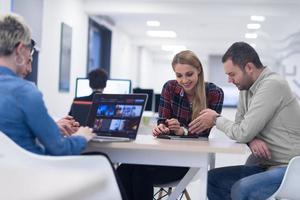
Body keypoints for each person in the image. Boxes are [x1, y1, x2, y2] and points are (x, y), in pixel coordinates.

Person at [195, 42, 300, 200]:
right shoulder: (246, 88)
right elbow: (241, 128)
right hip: (267, 165)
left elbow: (242, 132)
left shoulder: (273, 85)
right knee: (213, 180)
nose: (230, 80)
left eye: (232, 74)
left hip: (291, 169)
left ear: (249, 68)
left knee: (242, 189)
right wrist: (252, 140)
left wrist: (215, 119)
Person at [117, 50, 224, 200]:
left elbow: (204, 133)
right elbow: (162, 121)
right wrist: (163, 128)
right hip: (162, 155)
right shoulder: (169, 87)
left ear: (199, 70)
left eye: (189, 74)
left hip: (188, 160)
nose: (184, 80)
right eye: (179, 75)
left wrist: (182, 131)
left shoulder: (214, 93)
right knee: (122, 170)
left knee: (140, 173)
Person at [0, 13, 95, 155]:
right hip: (34, 173)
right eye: (29, 55)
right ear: (20, 50)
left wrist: (51, 128)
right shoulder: (25, 92)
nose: (30, 68)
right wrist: (81, 136)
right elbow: (60, 149)